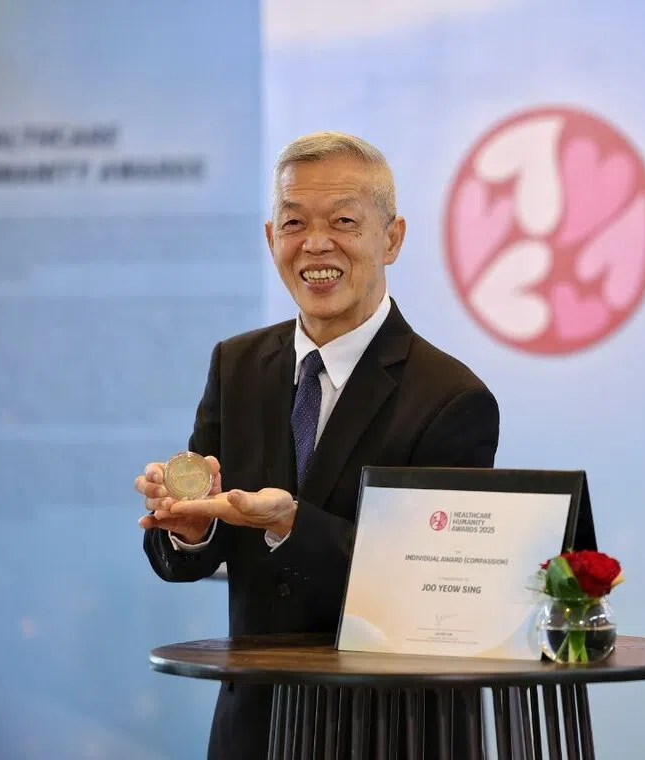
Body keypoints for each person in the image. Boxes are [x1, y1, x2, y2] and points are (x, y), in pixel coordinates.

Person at [135, 132, 499, 759]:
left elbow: (432, 587)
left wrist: (292, 523)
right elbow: (192, 552)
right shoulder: (238, 364)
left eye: (344, 221)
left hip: (391, 732)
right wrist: (187, 529)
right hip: (257, 725)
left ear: (393, 237)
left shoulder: (453, 397)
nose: (316, 244)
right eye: (294, 222)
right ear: (271, 238)